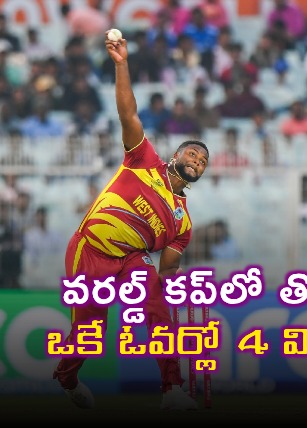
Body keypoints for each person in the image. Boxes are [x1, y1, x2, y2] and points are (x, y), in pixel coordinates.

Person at [52, 31, 209, 411]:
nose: (197, 161)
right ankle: (68, 379)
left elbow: (167, 270)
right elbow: (128, 114)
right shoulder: (143, 160)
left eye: (203, 162)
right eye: (192, 153)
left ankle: (171, 390)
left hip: (131, 260)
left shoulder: (182, 223)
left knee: (158, 313)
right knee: (89, 333)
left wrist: (172, 287)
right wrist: (121, 64)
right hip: (91, 249)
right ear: (175, 155)